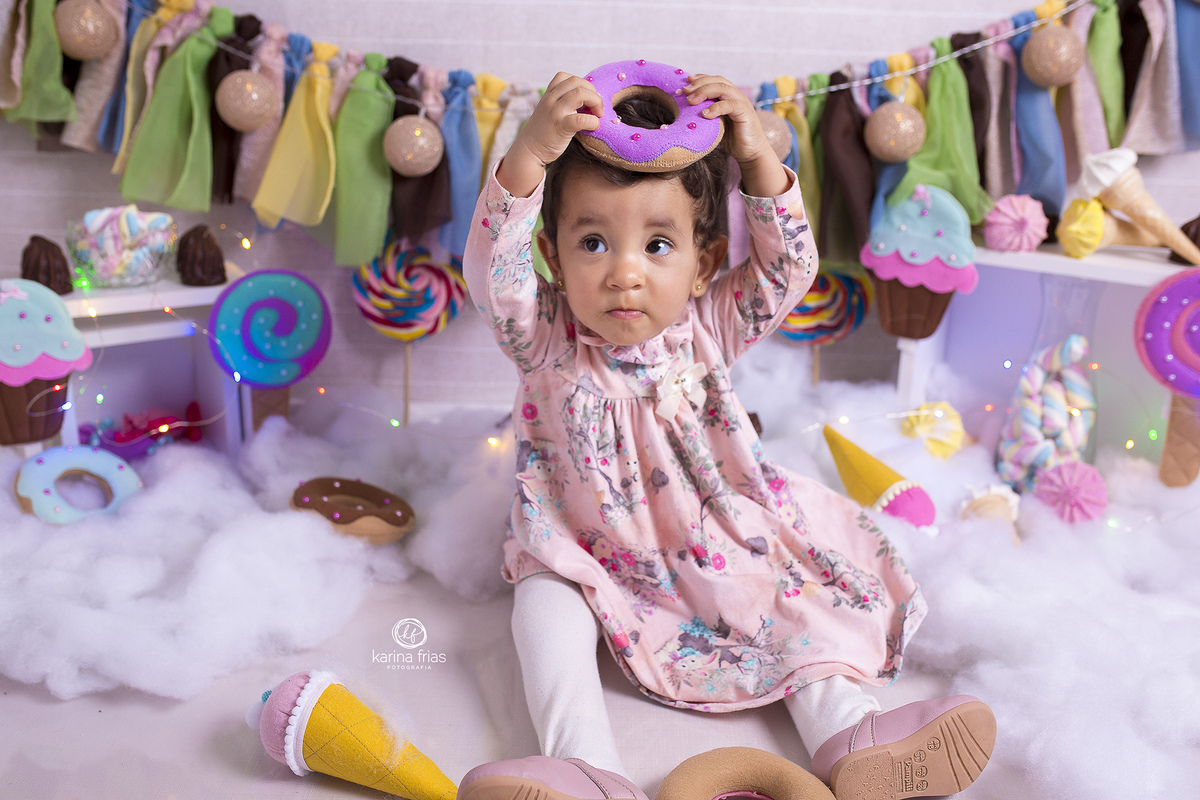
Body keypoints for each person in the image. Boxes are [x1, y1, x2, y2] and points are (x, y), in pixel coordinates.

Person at [458, 70, 994, 800]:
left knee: (787, 593)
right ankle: (585, 766)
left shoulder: (707, 326)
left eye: (656, 244)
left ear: (703, 262)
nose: (623, 274)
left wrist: (757, 160)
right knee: (543, 601)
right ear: (551, 256)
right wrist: (529, 152)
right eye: (592, 241)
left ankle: (852, 733)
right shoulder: (547, 339)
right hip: (585, 546)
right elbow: (494, 270)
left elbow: (787, 268)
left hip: (713, 533)